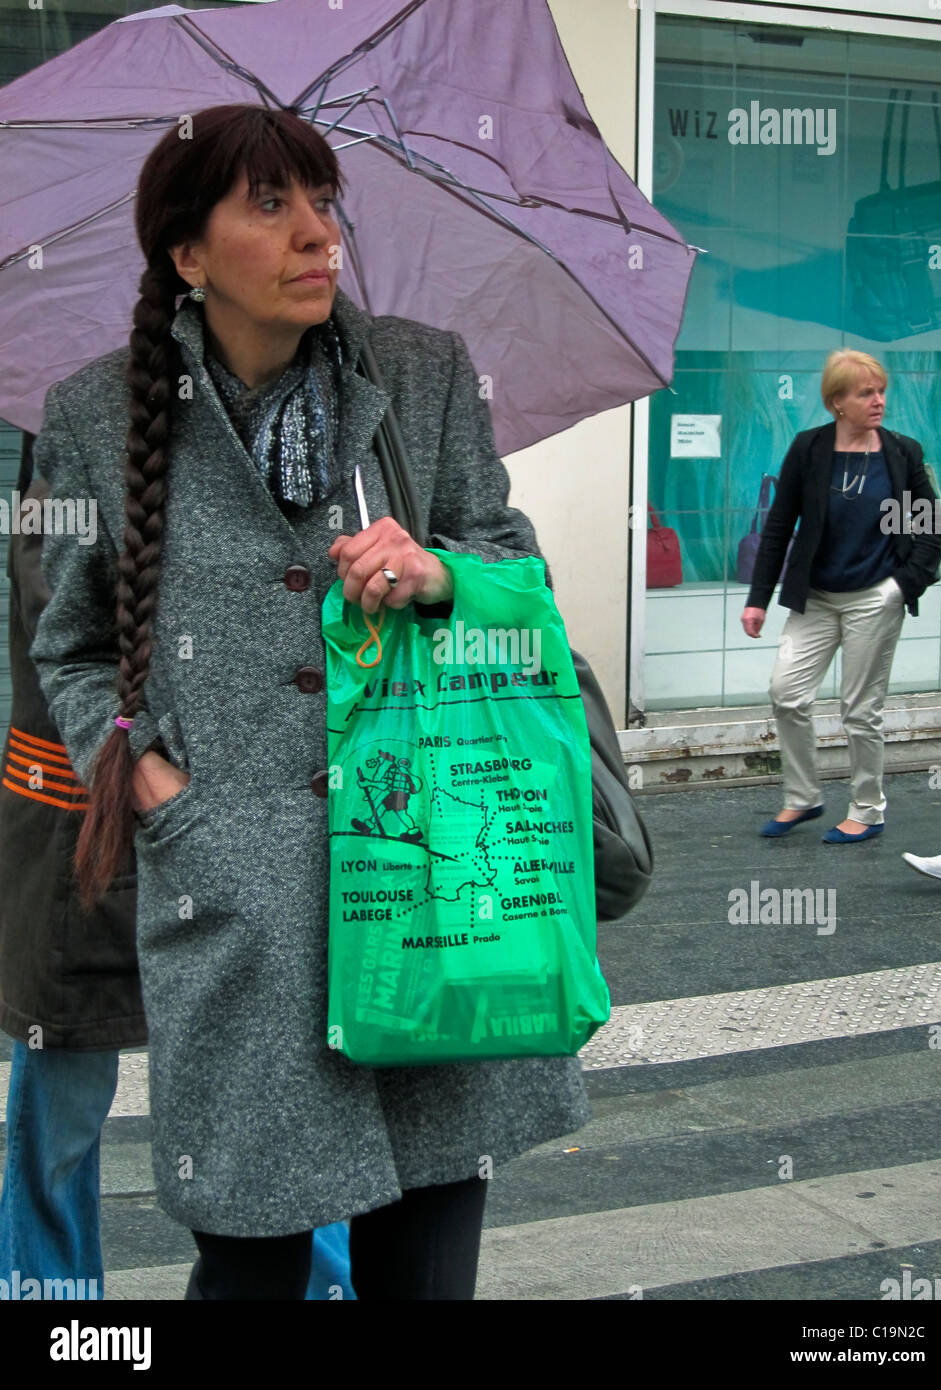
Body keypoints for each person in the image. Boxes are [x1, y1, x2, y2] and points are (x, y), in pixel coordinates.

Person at [28, 103, 590, 1300]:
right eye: (272, 205)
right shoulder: (91, 416)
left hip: (429, 885)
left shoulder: (424, 375)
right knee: (247, 1265)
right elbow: (71, 651)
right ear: (188, 254)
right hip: (241, 904)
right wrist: (164, 796)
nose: (316, 235)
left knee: (428, 1264)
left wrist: (441, 578)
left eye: (324, 202)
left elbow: (520, 582)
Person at [0, 437, 356, 1301]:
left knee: (289, 1077)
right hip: (80, 839)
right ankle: (51, 1300)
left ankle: (320, 1286)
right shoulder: (66, 476)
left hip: (246, 834)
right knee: (65, 1090)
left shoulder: (285, 461)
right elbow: (77, 640)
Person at [741, 350, 941, 843]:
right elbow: (779, 525)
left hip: (875, 596)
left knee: (859, 710)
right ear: (837, 403)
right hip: (817, 597)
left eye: (881, 390)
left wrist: (902, 586)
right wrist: (758, 597)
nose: (878, 401)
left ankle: (868, 809)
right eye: (865, 393)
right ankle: (803, 797)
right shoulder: (810, 449)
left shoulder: (901, 453)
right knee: (786, 693)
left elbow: (929, 525)